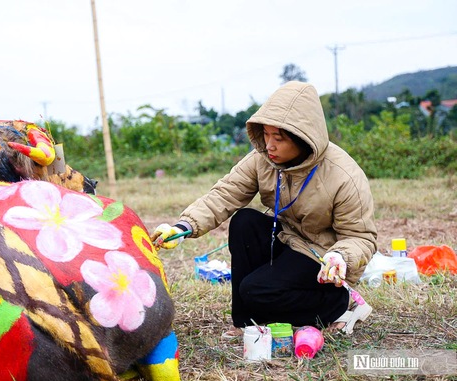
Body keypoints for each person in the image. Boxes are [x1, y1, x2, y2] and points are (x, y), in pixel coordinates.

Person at [151, 81, 377, 338]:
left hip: (322, 256)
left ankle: (340, 302)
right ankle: (246, 323)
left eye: (278, 138)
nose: (269, 145)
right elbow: (225, 193)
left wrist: (341, 257)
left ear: (304, 137)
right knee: (244, 220)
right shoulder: (263, 159)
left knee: (256, 291)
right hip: (285, 238)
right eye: (266, 135)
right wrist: (183, 226)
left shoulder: (344, 175)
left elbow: (361, 237)